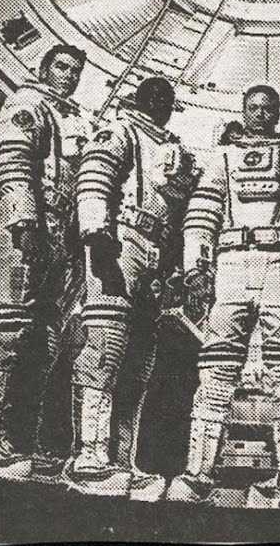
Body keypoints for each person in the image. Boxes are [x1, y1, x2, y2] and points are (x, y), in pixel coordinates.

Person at [164, 85, 280, 508]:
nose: (259, 115)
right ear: (243, 111)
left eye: (267, 108)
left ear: (277, 113)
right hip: (230, 265)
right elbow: (201, 214)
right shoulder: (223, 158)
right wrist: (196, 269)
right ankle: (198, 473)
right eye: (252, 108)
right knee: (216, 369)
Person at [62, 77, 199, 500]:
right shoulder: (120, 131)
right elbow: (95, 175)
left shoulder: (176, 150)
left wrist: (175, 268)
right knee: (106, 346)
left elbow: (181, 212)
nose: (160, 103)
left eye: (167, 98)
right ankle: (89, 456)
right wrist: (95, 230)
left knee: (138, 359)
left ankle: (122, 460)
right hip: (119, 239)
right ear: (139, 100)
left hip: (155, 251)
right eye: (153, 96)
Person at [0, 45, 88, 479]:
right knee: (7, 324)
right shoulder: (27, 103)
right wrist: (24, 222)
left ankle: (22, 438)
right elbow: (15, 164)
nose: (69, 75)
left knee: (44, 338)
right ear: (43, 69)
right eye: (62, 67)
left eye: (75, 71)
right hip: (26, 227)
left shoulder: (71, 117)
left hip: (60, 232)